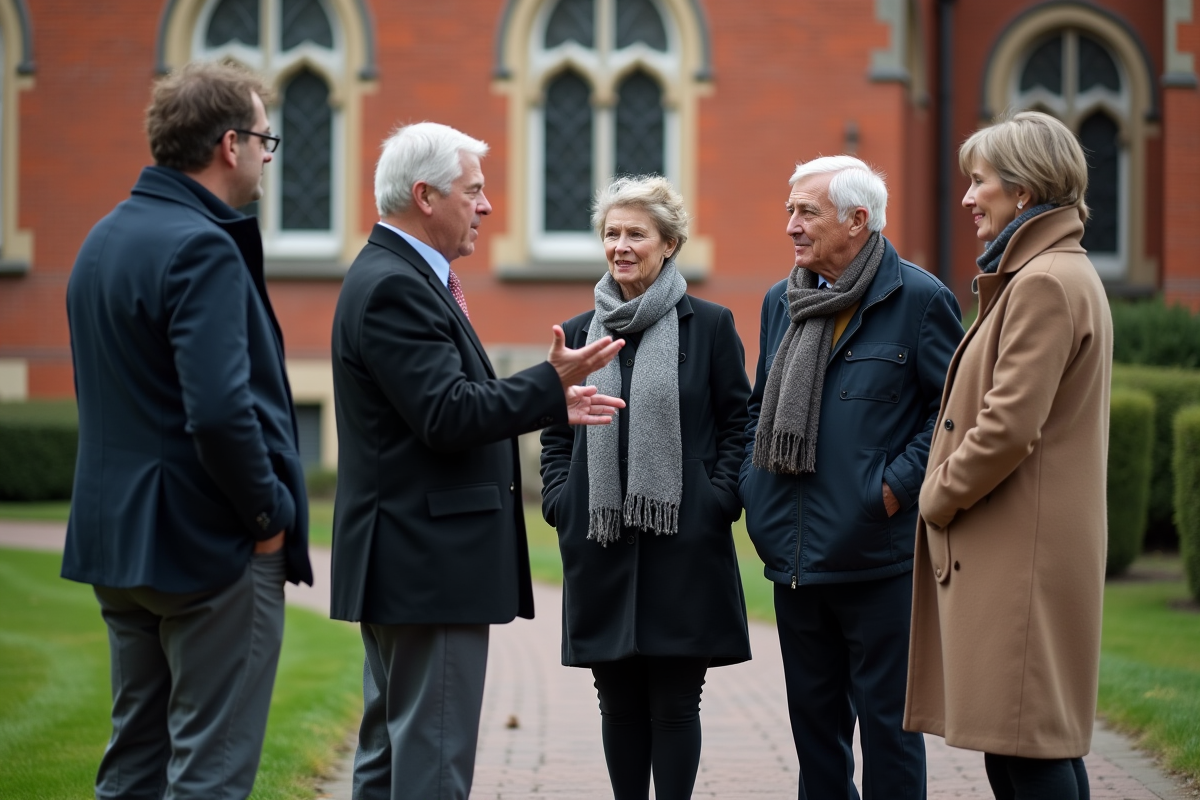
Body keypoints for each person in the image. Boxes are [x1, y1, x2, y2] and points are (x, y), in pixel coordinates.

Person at [329, 121, 626, 800]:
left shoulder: (398, 275)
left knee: (390, 755)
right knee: (430, 764)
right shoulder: (395, 286)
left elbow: (449, 403)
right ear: (426, 196)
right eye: (475, 190)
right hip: (427, 564)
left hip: (412, 563)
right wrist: (544, 386)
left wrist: (548, 402)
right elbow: (447, 415)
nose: (487, 207)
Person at [61, 61, 311, 800]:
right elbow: (219, 412)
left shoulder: (102, 240)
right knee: (210, 774)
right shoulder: (203, 246)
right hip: (208, 550)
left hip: (117, 543)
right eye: (266, 139)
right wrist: (267, 518)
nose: (269, 156)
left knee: (132, 764)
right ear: (230, 145)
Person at [739, 156, 963, 799]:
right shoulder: (782, 301)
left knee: (890, 736)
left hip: (877, 560)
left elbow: (950, 415)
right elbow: (760, 409)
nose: (791, 226)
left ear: (857, 220)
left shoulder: (918, 299)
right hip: (795, 559)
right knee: (816, 739)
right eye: (790, 210)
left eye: (806, 211)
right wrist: (759, 496)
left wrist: (890, 490)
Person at [904, 111, 1112, 800]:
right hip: (1021, 543)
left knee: (1029, 749)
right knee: (1024, 742)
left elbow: (1005, 428)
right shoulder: (1045, 273)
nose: (967, 196)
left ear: (1023, 193)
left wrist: (937, 494)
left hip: (1021, 550)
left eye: (980, 180)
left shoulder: (1044, 282)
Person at [540, 175, 752, 800]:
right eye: (612, 233)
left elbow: (739, 424)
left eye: (636, 234)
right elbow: (554, 429)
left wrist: (717, 501)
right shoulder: (580, 331)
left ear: (669, 244)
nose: (621, 246)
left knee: (676, 703)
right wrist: (562, 499)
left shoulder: (709, 326)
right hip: (600, 542)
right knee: (617, 702)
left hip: (684, 543)